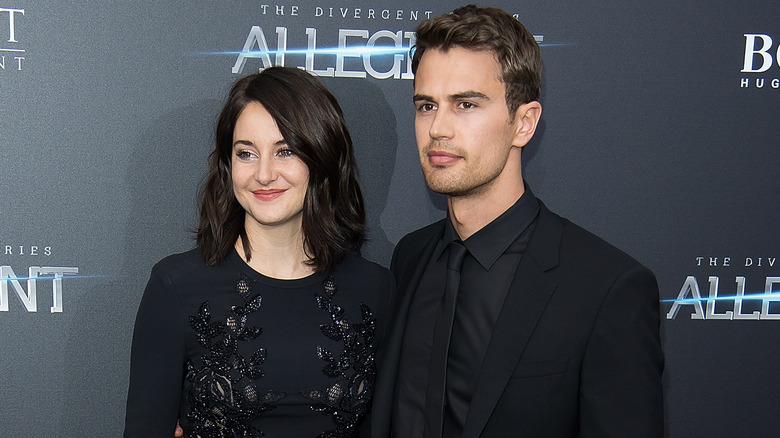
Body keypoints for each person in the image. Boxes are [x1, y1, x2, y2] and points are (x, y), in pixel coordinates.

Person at [371, 5, 664, 437]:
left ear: (524, 123)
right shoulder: (411, 257)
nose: (438, 128)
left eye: (466, 104)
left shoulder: (607, 288)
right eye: (426, 105)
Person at [123, 67, 393, 437]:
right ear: (227, 164)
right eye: (246, 153)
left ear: (322, 156)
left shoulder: (375, 290)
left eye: (285, 151)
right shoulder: (177, 287)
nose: (264, 174)